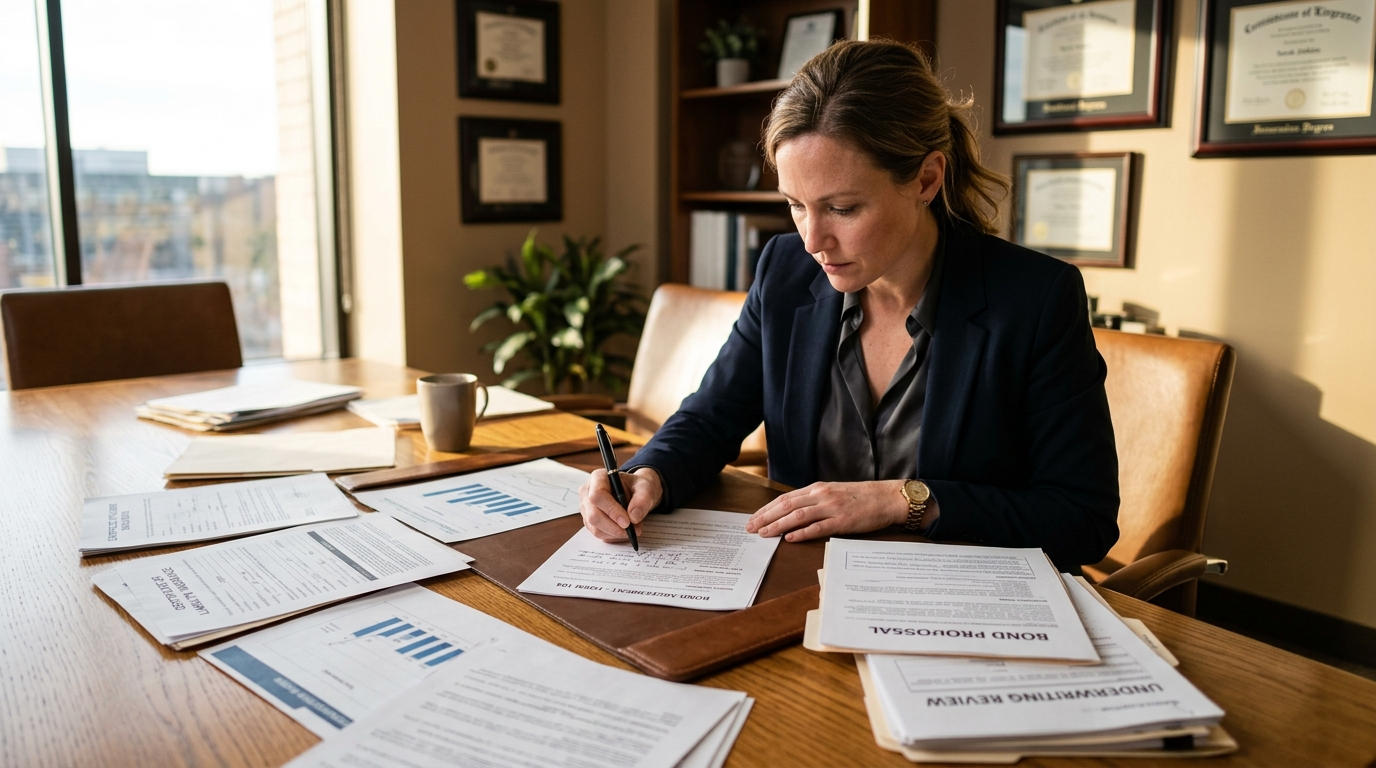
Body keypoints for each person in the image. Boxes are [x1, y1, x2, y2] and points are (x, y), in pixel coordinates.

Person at [579, 39, 1119, 570]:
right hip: (799, 591)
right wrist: (647, 474)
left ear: (927, 179)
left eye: (842, 208)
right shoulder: (785, 271)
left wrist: (902, 500)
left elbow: (1081, 517)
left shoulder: (1035, 299)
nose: (813, 240)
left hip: (955, 603)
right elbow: (710, 417)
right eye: (795, 205)